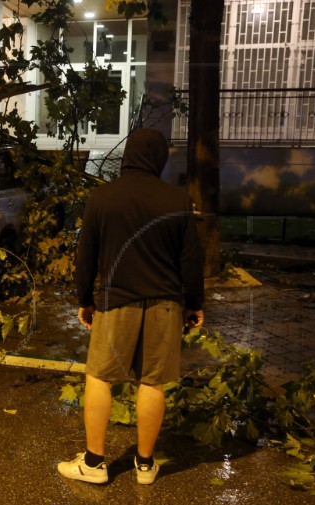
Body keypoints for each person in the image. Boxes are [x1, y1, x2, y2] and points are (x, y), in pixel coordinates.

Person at [57, 128, 204, 485]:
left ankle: (93, 463)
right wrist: (194, 303)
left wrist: (84, 300)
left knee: (99, 376)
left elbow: (86, 254)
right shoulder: (177, 201)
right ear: (159, 159)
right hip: (166, 304)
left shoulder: (103, 198)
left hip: (117, 300)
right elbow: (191, 260)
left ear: (128, 156)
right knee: (152, 382)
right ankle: (144, 465)